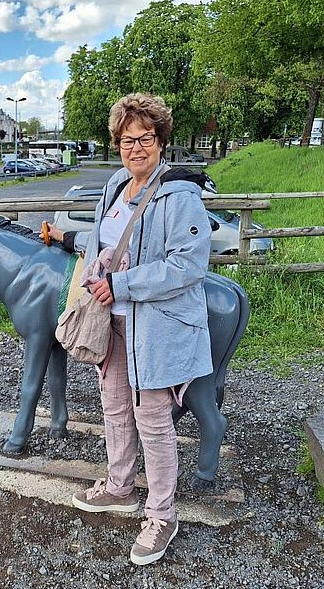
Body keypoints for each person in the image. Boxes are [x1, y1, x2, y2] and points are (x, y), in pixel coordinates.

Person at [46, 93, 213, 565]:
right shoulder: (116, 185)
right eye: (126, 140)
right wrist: (71, 243)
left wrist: (120, 284)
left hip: (156, 328)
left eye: (145, 138)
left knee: (154, 422)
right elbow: (107, 240)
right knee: (115, 407)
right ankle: (120, 487)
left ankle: (162, 515)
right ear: (116, 143)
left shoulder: (179, 196)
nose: (135, 148)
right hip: (113, 322)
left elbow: (187, 266)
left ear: (161, 141)